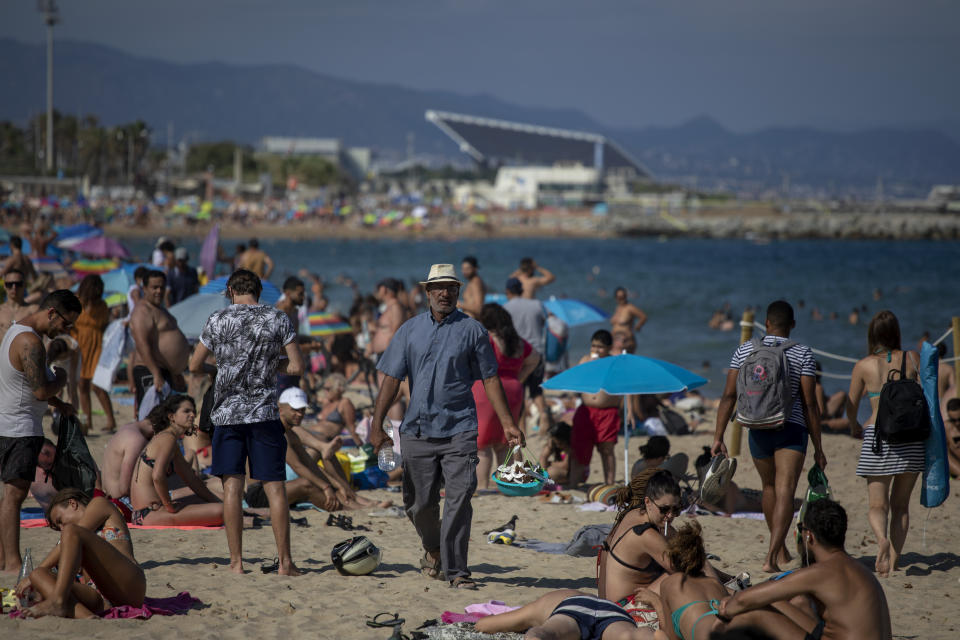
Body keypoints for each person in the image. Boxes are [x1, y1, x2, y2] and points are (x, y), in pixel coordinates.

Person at [368, 263, 522, 590]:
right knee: (418, 504)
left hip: (460, 430)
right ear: (426, 292)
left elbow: (490, 378)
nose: (444, 293)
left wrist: (509, 423)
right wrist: (377, 424)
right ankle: (434, 549)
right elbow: (391, 379)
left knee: (459, 497)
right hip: (417, 431)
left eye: (451, 287)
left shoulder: (473, 331)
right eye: (438, 287)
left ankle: (457, 571)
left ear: (458, 291)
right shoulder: (409, 330)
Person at [475, 469, 688, 635]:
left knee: (509, 624)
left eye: (676, 510)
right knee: (679, 576)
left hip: (586, 600)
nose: (671, 516)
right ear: (648, 501)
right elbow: (687, 568)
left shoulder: (631, 517)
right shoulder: (648, 534)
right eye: (666, 510)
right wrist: (660, 605)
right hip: (623, 609)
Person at [189, 268, 304, 575]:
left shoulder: (218, 319)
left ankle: (237, 563)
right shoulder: (278, 318)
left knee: (232, 489)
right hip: (264, 414)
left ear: (230, 291)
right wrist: (268, 362)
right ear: (258, 290)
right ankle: (286, 563)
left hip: (227, 415)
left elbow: (194, 363)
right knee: (275, 488)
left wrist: (227, 364)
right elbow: (295, 365)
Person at [712, 300, 826, 573]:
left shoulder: (744, 350)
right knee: (786, 488)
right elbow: (810, 403)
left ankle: (781, 552)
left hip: (756, 427)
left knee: (769, 489)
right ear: (793, 325)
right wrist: (819, 447)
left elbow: (728, 395)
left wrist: (718, 436)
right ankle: (772, 556)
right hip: (791, 427)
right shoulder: (802, 353)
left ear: (766, 323)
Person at [720, 500, 893, 640]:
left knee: (754, 614)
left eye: (801, 529)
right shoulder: (861, 571)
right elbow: (764, 595)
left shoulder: (821, 572)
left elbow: (743, 602)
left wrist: (727, 610)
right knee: (771, 601)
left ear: (809, 535)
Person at [0, 289, 79, 574]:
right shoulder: (31, 342)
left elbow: (26, 383)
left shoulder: (17, 330)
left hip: (12, 424)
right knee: (14, 495)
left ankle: (3, 558)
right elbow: (40, 389)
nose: (65, 330)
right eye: (65, 323)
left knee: (10, 495)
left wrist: (60, 403)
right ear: (51, 312)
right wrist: (61, 379)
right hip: (18, 429)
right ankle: (11, 562)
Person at [845, 310, 924, 577]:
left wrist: (855, 425)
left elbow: (851, 404)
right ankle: (894, 562)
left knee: (877, 506)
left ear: (872, 334)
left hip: (878, 438)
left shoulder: (864, 365)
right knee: (901, 505)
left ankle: (881, 541)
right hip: (912, 439)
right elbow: (925, 397)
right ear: (896, 332)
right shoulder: (913, 358)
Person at [642, 522, 809, 640]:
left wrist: (657, 603)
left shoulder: (672, 583)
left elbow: (672, 636)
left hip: (713, 633)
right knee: (794, 605)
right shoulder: (714, 583)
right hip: (735, 625)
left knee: (657, 636)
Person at [15, 489, 145, 618]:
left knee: (70, 531)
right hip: (100, 598)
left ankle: (57, 602)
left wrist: (34, 575)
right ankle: (87, 617)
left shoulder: (100, 504)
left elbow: (69, 537)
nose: (61, 528)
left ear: (73, 503)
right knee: (37, 574)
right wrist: (35, 587)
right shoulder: (72, 540)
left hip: (129, 584)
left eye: (60, 520)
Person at [472, 303, 541, 489]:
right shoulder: (517, 341)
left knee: (482, 445)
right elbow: (535, 357)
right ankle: (507, 486)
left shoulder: (488, 339)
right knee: (505, 442)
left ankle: (483, 487)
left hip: (488, 389)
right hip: (514, 390)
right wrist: (518, 377)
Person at [128, 394, 224, 526]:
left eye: (193, 411)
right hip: (148, 513)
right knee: (222, 511)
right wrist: (169, 505)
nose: (192, 415)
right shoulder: (168, 438)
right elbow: (157, 476)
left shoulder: (170, 439)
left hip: (147, 512)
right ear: (171, 416)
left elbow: (191, 479)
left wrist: (214, 500)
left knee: (223, 503)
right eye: (186, 411)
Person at [129, 270, 190, 408]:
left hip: (164, 371)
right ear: (144, 288)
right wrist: (155, 373)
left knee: (165, 419)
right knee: (152, 419)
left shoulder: (160, 309)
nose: (159, 291)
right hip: (149, 371)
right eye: (154, 287)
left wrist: (176, 373)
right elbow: (142, 344)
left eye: (162, 287)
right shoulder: (142, 311)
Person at [570, 330, 622, 485]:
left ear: (609, 348)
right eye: (593, 346)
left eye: (600, 347)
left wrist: (630, 410)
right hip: (586, 410)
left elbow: (626, 388)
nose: (596, 350)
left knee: (607, 450)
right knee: (579, 450)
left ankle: (609, 483)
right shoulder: (585, 360)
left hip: (608, 412)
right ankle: (572, 485)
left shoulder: (614, 363)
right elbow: (575, 381)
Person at [503, 277, 550, 433]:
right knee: (537, 390)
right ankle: (544, 416)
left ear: (508, 291)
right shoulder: (537, 304)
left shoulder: (506, 308)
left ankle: (522, 427)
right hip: (537, 352)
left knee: (519, 391)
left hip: (519, 354)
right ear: (522, 290)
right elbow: (544, 323)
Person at [73, 274, 116, 433]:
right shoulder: (76, 302)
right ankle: (87, 422)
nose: (97, 293)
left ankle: (111, 421)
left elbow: (104, 326)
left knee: (97, 385)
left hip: (96, 346)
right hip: (78, 345)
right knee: (82, 385)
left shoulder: (102, 305)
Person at [101, 415, 155, 499]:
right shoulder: (136, 440)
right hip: (120, 501)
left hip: (107, 494)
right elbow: (124, 489)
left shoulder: (127, 428)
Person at [311, 373, 361, 445]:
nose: (325, 392)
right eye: (324, 389)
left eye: (328, 389)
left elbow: (351, 426)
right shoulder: (326, 402)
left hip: (323, 439)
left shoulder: (344, 403)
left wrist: (360, 445)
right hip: (312, 435)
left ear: (338, 389)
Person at [369, 277, 407, 358]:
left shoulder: (395, 307)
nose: (377, 291)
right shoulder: (390, 307)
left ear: (384, 289)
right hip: (383, 354)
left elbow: (397, 331)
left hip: (388, 355)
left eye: (378, 289)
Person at [0, 269, 38, 337]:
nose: (14, 287)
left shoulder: (33, 310)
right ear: (4, 286)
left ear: (25, 285)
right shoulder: (1, 310)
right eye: (9, 284)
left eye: (18, 284)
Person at [944, 398, 960, 478]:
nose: (957, 423)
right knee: (943, 452)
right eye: (953, 420)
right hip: (956, 462)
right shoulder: (946, 427)